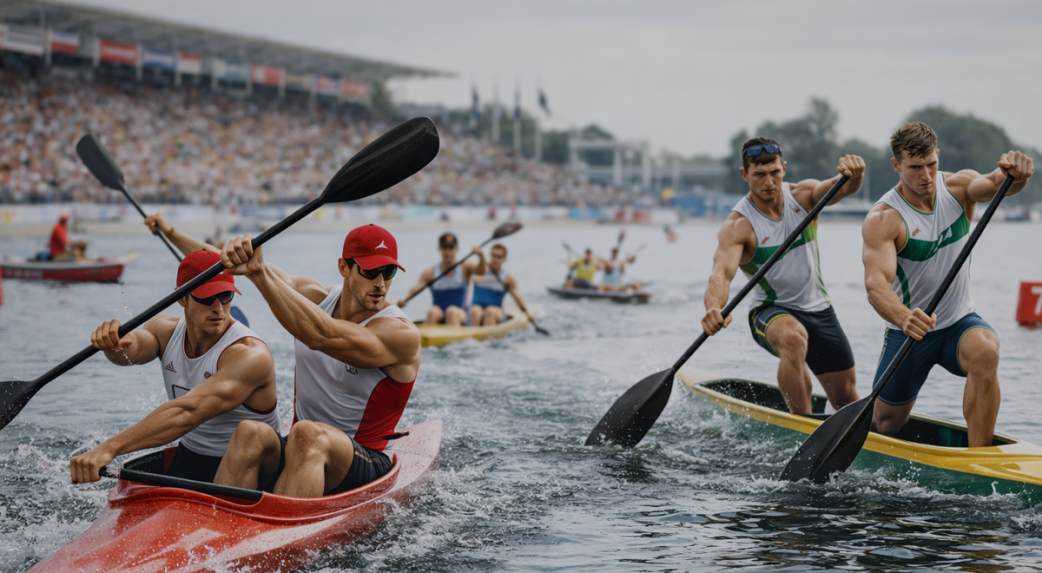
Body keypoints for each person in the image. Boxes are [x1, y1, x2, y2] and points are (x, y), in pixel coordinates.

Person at [214, 224, 421, 497]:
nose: (380, 283)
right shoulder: (316, 296)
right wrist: (226, 252)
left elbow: (320, 335)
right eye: (370, 271)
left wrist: (259, 274)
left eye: (389, 271)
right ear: (344, 268)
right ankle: (217, 524)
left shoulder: (400, 333)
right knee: (249, 431)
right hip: (301, 446)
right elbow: (226, 262)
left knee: (307, 434)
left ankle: (283, 535)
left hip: (367, 457)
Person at [863, 123, 1033, 446]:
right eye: (915, 167)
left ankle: (978, 460)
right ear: (896, 165)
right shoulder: (885, 219)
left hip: (958, 324)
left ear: (938, 156)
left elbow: (998, 183)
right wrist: (903, 317)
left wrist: (1017, 175)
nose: (926, 176)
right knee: (885, 425)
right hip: (910, 332)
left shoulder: (958, 188)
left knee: (986, 350)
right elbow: (875, 284)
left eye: (931, 164)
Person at [69, 249, 279, 484]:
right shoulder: (164, 330)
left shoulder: (250, 354)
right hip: (191, 458)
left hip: (254, 465)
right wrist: (113, 345)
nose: (218, 308)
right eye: (207, 297)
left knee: (250, 433)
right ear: (181, 297)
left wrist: (110, 448)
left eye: (226, 295)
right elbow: (132, 349)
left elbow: (189, 411)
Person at [701, 137, 865, 415]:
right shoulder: (738, 226)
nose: (769, 182)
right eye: (759, 175)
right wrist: (713, 307)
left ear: (784, 168)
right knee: (792, 339)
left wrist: (856, 173)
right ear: (745, 175)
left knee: (847, 400)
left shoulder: (804, 196)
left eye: (775, 173)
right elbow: (721, 274)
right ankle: (801, 424)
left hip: (819, 309)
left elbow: (844, 187)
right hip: (770, 310)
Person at [397, 232, 486, 326]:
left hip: (460, 314)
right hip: (438, 314)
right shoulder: (430, 272)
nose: (448, 252)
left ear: (457, 249)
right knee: (432, 311)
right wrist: (405, 299)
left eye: (451, 248)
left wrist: (481, 256)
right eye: (444, 248)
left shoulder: (465, 267)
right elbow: (416, 288)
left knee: (451, 311)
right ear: (439, 249)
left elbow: (482, 271)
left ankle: (454, 339)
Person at [469, 243, 528, 326]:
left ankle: (488, 337)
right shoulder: (479, 270)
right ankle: (472, 337)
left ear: (504, 260)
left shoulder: (508, 278)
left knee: (490, 311)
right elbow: (472, 280)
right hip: (476, 310)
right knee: (475, 310)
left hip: (496, 311)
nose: (495, 259)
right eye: (493, 256)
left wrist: (527, 314)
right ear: (490, 256)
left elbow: (517, 296)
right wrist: (492, 278)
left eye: (499, 257)